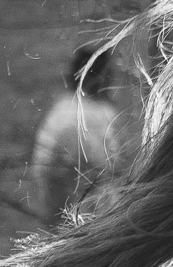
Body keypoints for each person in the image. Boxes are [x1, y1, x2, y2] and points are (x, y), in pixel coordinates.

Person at [27, 41, 124, 219]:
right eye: (108, 74)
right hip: (81, 208)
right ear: (99, 76)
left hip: (63, 208)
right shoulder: (89, 113)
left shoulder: (60, 110)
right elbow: (102, 169)